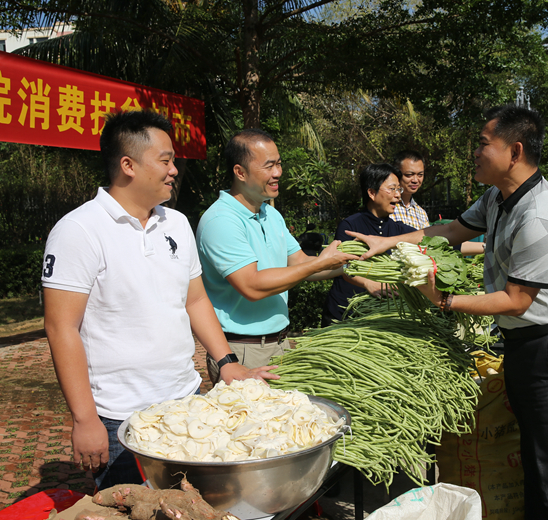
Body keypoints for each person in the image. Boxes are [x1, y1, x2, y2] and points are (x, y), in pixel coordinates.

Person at [349, 105, 548, 519]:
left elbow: (517, 300)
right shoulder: (499, 197)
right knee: (541, 463)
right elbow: (449, 230)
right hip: (524, 345)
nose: (475, 154)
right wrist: (387, 244)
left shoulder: (539, 214)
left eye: (483, 145)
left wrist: (443, 300)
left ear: (514, 151)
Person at [41, 111, 278, 489]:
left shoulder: (176, 223)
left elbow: (195, 301)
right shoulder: (79, 230)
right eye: (165, 160)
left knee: (198, 505)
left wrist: (228, 362)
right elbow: (61, 327)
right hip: (123, 416)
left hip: (187, 401)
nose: (174, 170)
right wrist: (85, 418)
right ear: (127, 165)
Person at [196, 129, 356, 383]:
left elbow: (302, 263)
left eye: (279, 163)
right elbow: (252, 285)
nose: (278, 172)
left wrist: (352, 263)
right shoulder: (221, 221)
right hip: (242, 352)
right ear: (240, 172)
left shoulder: (271, 214)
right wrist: (321, 262)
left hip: (279, 344)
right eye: (269, 166)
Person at [322, 164, 417, 325]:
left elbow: (436, 240)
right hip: (344, 313)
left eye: (399, 190)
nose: (398, 196)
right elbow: (342, 266)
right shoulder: (350, 227)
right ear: (372, 193)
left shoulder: (400, 230)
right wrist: (367, 282)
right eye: (392, 189)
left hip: (378, 317)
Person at [390, 150, 431, 229]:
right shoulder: (385, 207)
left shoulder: (421, 213)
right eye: (409, 175)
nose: (415, 180)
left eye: (420, 175)